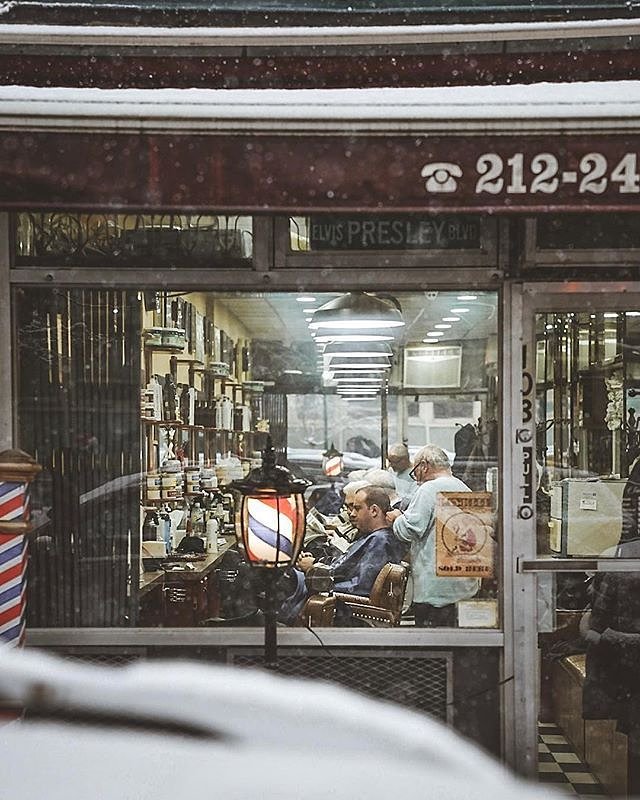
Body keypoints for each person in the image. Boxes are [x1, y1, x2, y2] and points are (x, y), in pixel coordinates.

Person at [279, 486, 406, 625]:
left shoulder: (380, 541)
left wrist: (315, 573)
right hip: (328, 586)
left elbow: (361, 586)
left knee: (283, 574)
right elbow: (345, 565)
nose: (351, 514)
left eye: (357, 508)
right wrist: (317, 562)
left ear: (374, 511)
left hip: (338, 600)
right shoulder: (372, 537)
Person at [387, 444, 479, 627]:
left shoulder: (429, 490)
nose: (416, 478)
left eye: (415, 472)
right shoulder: (465, 489)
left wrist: (397, 519)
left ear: (424, 466)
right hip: (464, 589)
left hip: (434, 592)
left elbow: (410, 529)